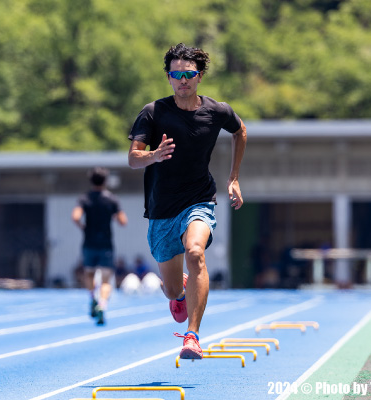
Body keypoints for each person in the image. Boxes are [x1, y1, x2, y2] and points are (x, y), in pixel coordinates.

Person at [128, 43, 247, 360]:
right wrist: (153, 155)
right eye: (177, 74)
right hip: (162, 210)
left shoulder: (216, 111)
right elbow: (133, 158)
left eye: (189, 74)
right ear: (168, 77)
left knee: (196, 252)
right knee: (170, 291)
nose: (183, 80)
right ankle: (179, 289)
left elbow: (240, 131)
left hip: (199, 199)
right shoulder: (153, 112)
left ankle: (192, 336)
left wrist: (233, 177)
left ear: (200, 76)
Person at [72, 167, 128, 325]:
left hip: (89, 242)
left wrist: (83, 226)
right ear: (105, 181)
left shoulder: (84, 198)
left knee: (89, 274)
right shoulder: (111, 199)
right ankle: (103, 305)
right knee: (106, 279)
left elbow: (75, 217)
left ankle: (92, 299)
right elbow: (123, 221)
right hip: (106, 244)